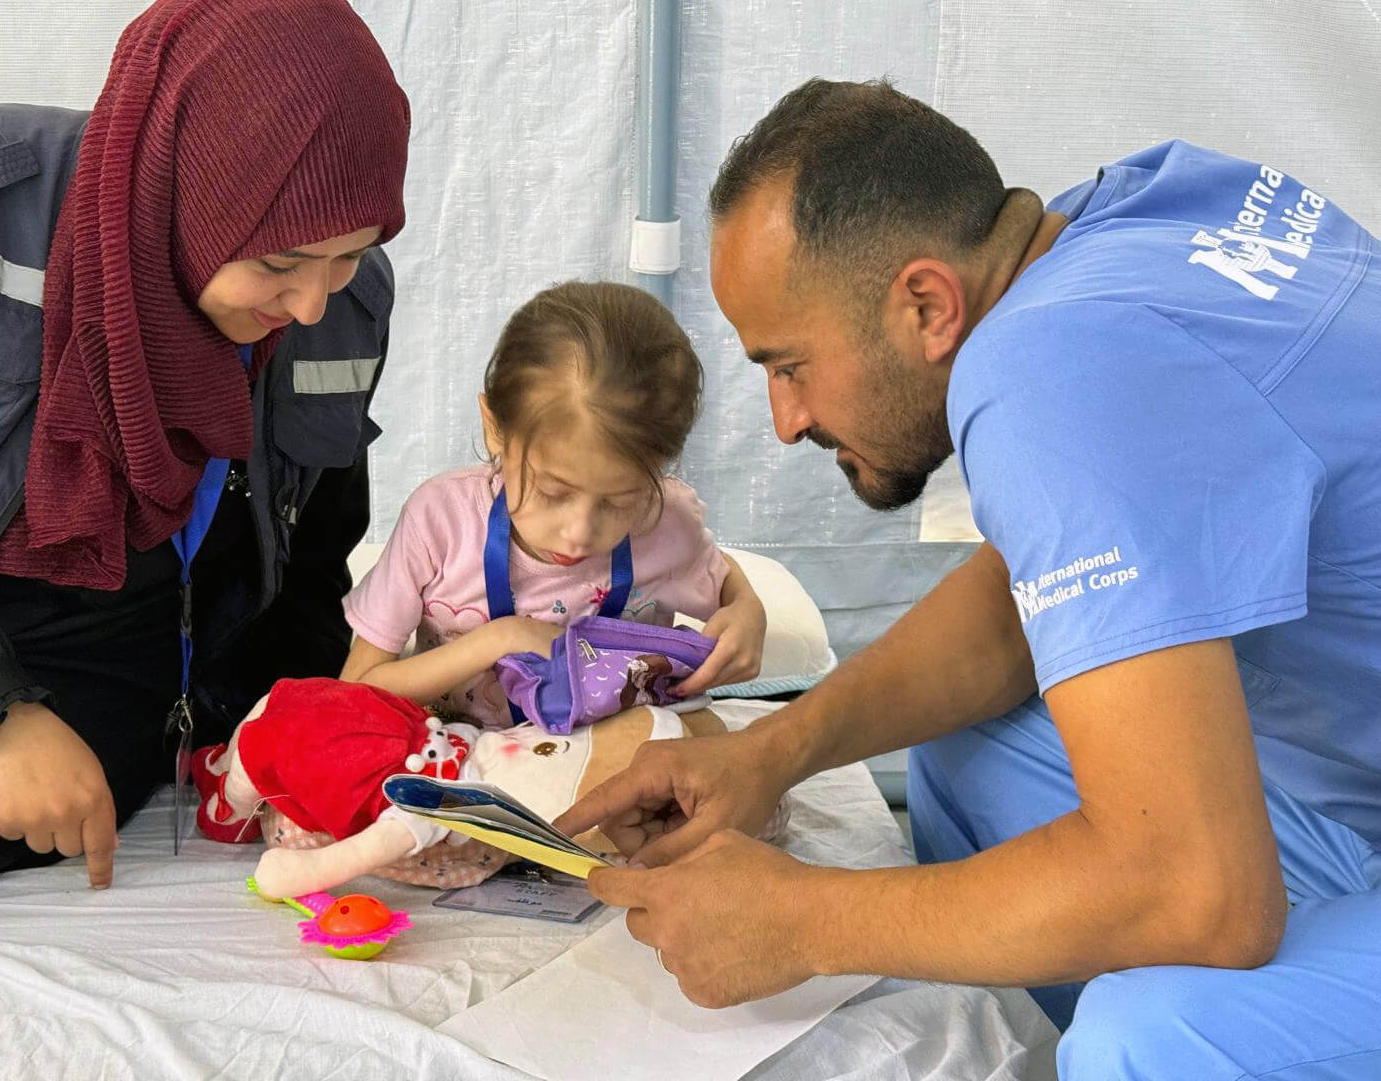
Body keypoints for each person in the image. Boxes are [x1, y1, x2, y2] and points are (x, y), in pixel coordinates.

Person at [559, 79, 1380, 1079]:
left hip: (1328, 807)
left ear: (926, 304)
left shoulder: (1043, 368)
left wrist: (802, 920)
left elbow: (1203, 894)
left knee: (1154, 1035)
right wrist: (772, 752)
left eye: (788, 365)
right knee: (966, 749)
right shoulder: (1134, 218)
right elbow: (1021, 606)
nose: (784, 420)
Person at [0, 0, 411, 937]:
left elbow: (304, 585)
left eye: (350, 254)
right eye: (281, 264)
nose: (313, 305)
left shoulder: (338, 310)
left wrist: (319, 748)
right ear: (185, 194)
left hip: (104, 688)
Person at [191, 281, 768, 840]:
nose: (579, 532)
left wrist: (749, 614)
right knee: (327, 763)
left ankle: (532, 835)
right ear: (496, 427)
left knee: (713, 756)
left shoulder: (669, 522)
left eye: (620, 502)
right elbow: (358, 689)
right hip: (456, 754)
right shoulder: (440, 520)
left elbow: (724, 582)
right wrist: (498, 640)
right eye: (553, 491)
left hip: (593, 755)